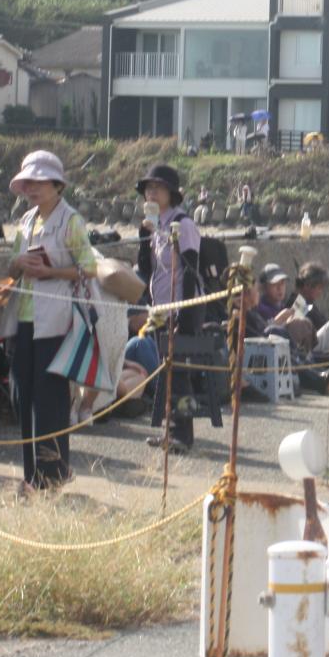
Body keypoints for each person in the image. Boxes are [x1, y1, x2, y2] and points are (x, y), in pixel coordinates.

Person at [2, 151, 99, 489]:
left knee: (50, 398)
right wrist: (19, 265)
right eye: (28, 182)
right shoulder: (27, 221)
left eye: (39, 182)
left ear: (57, 185)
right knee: (23, 395)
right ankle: (32, 475)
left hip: (57, 319)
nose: (32, 188)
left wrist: (50, 271)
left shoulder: (71, 221)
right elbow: (12, 264)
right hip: (24, 317)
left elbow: (89, 268)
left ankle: (52, 474)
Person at [136, 164, 204, 453]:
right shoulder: (155, 224)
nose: (151, 193)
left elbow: (190, 268)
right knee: (166, 371)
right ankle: (169, 430)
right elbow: (145, 267)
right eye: (148, 188)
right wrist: (144, 236)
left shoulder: (182, 224)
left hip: (181, 307)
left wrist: (184, 313)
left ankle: (183, 435)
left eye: (158, 187)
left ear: (171, 193)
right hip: (160, 307)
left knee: (180, 374)